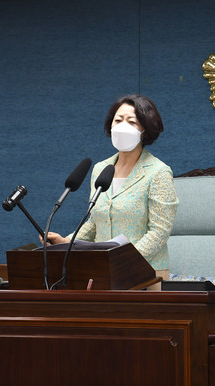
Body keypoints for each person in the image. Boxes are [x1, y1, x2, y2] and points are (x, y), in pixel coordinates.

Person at [47, 94, 179, 279]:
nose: (122, 126)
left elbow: (160, 231)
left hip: (144, 272)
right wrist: (67, 242)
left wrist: (124, 261)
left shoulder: (158, 172)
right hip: (102, 271)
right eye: (118, 120)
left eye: (131, 122)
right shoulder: (100, 169)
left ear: (145, 130)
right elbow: (95, 222)